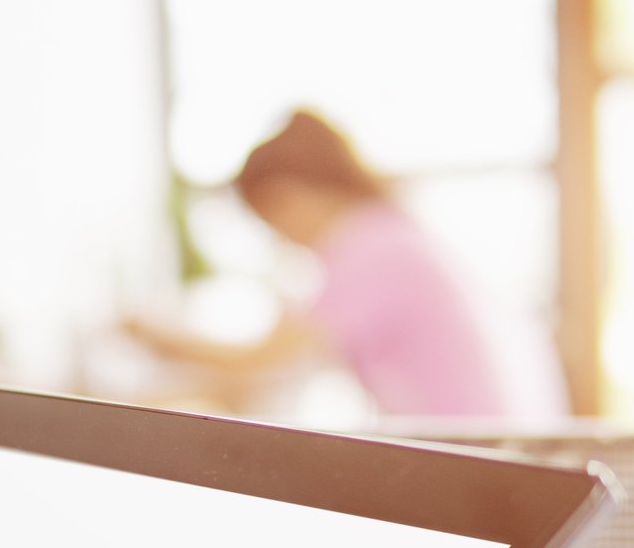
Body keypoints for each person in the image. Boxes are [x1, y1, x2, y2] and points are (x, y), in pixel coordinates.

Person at [128, 110, 563, 420]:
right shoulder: (394, 234)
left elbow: (261, 362)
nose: (280, 240)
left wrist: (145, 332)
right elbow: (272, 374)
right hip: (510, 443)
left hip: (486, 458)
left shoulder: (369, 249)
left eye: (270, 221)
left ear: (287, 196)